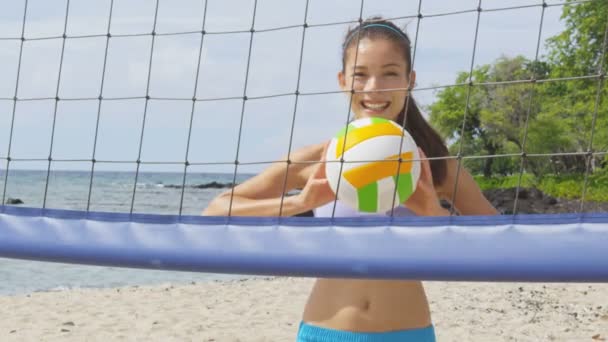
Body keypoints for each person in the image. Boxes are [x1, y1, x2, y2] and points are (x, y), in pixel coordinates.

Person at [203, 17, 498, 342]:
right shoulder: (317, 159)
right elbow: (216, 211)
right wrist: (301, 202)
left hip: (407, 334)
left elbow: (504, 242)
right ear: (343, 80)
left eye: (390, 73)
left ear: (409, 80)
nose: (374, 88)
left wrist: (434, 213)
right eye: (360, 74)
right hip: (326, 332)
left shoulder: (432, 164)